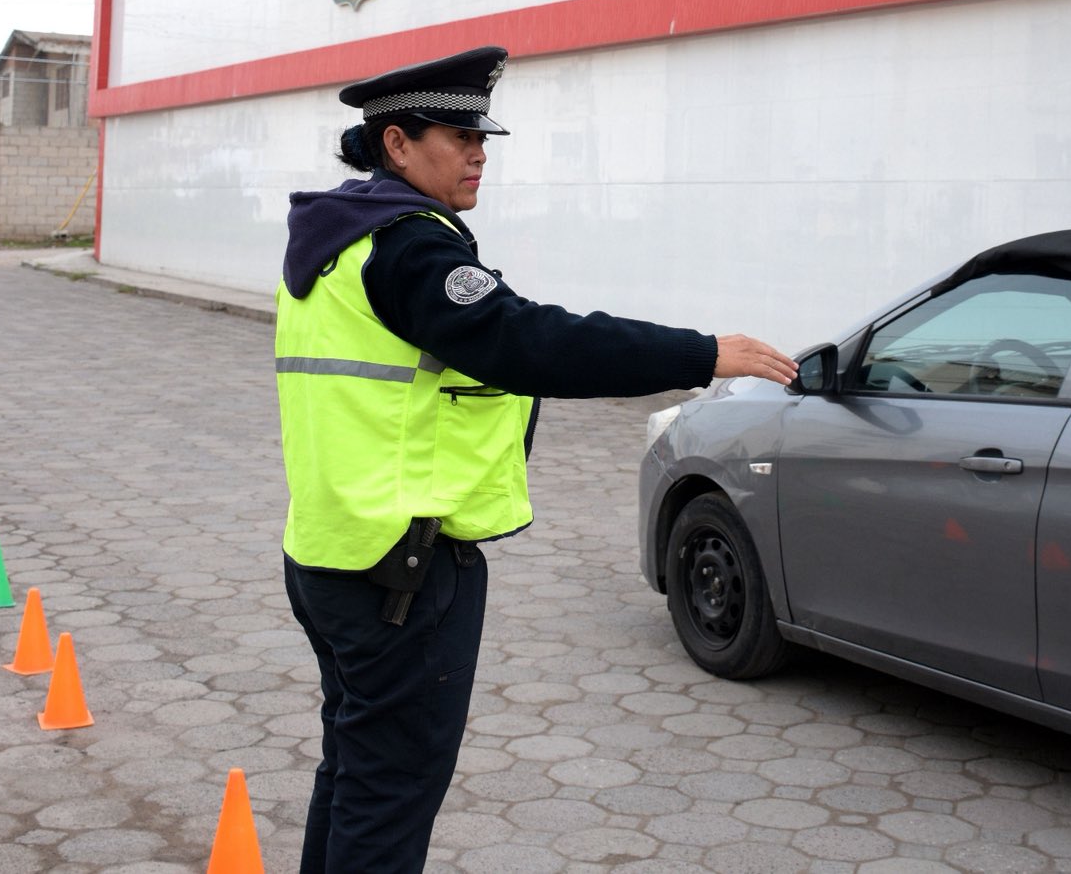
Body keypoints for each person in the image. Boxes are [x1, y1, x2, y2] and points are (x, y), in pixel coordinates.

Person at [273, 45, 796, 874]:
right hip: (398, 573)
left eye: (484, 136)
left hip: (332, 550)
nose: (479, 152)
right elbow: (533, 341)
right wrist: (703, 352)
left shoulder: (336, 239)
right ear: (397, 144)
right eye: (456, 135)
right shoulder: (408, 248)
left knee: (355, 774)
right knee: (389, 793)